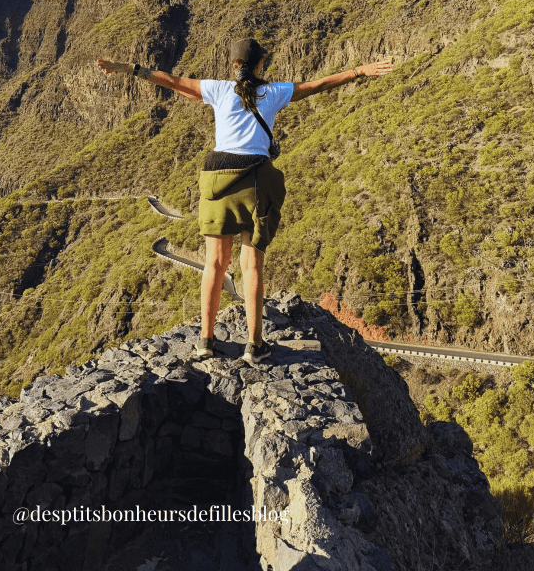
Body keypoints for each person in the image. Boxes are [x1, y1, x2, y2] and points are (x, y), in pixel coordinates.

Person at [98, 41, 392, 364]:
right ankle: (254, 345)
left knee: (214, 263)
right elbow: (317, 85)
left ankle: (205, 341)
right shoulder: (274, 92)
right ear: (259, 65)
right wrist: (358, 71)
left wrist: (132, 69)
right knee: (251, 264)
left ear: (233, 65)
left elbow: (173, 82)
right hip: (255, 181)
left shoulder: (219, 90)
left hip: (217, 181)